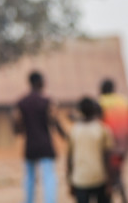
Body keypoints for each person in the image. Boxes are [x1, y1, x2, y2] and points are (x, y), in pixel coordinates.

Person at [14, 71, 67, 203]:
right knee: (48, 177)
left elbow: (17, 127)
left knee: (30, 178)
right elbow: (54, 121)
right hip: (45, 145)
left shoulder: (21, 103)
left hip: (30, 145)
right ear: (38, 82)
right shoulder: (47, 101)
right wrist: (66, 136)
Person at [67, 97, 114, 203]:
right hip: (99, 178)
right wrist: (110, 182)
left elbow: (70, 158)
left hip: (80, 179)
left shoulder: (74, 130)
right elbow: (107, 157)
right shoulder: (103, 129)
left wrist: (70, 180)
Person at [98, 78, 128, 203]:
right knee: (118, 173)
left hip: (109, 147)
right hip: (123, 145)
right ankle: (124, 198)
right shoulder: (124, 102)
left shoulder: (102, 103)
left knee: (110, 177)